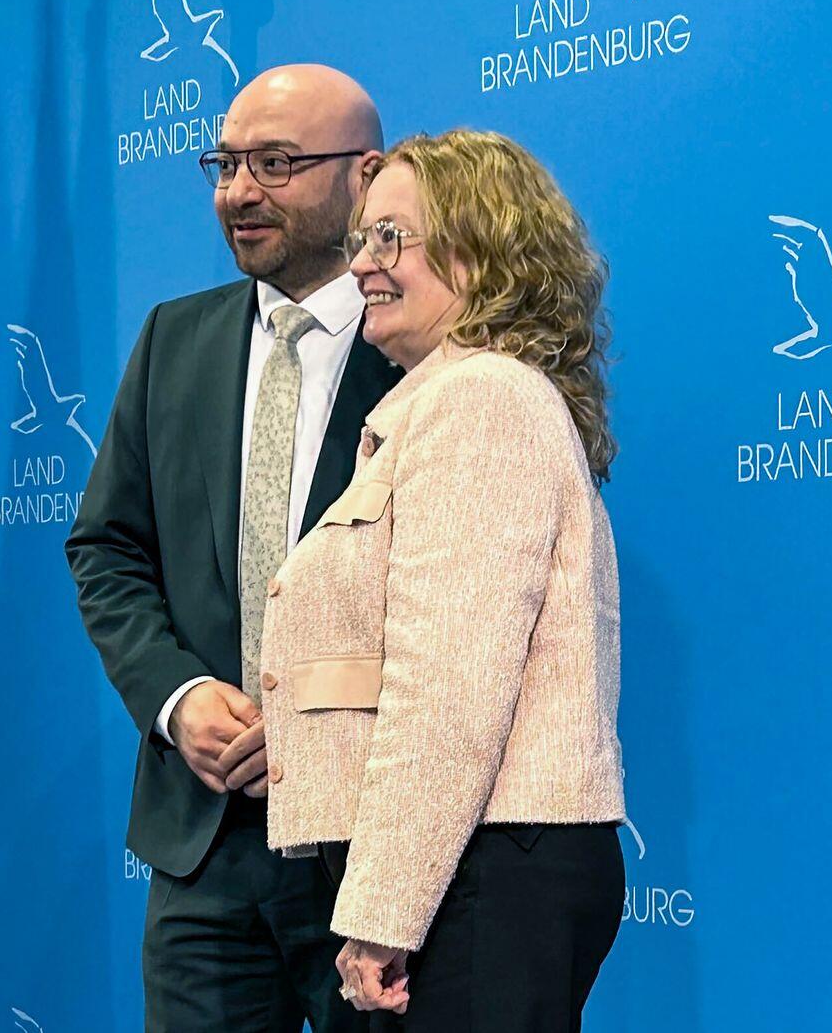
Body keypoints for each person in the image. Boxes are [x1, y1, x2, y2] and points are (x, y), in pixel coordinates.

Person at [259, 129, 627, 1029]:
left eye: (391, 238)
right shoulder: (453, 398)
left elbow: (448, 690)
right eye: (362, 240)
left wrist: (384, 912)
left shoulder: (481, 398)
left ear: (480, 250)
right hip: (471, 866)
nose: (361, 265)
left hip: (481, 872)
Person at [69, 65, 400, 1031]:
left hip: (370, 852)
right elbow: (106, 549)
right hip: (202, 847)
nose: (239, 191)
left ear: (366, 176)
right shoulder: (173, 340)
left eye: (276, 163)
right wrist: (176, 699)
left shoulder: (425, 354)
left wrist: (317, 726)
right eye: (226, 164)